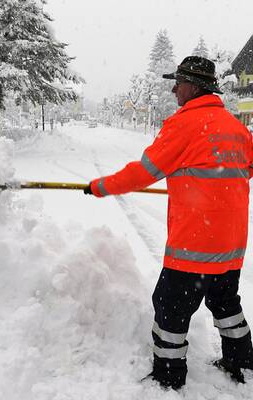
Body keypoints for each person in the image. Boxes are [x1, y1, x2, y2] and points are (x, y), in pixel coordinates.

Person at [84, 56, 253, 389]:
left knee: (170, 307)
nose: (174, 89)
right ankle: (241, 360)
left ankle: (169, 375)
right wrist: (204, 184)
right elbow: (242, 170)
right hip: (231, 244)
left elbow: (143, 172)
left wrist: (100, 186)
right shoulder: (236, 127)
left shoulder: (184, 124)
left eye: (178, 82)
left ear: (193, 86)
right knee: (224, 301)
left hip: (195, 244)